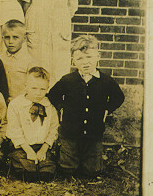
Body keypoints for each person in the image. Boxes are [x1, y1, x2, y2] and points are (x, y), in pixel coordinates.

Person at [48, 35, 124, 178]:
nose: (85, 62)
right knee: (67, 170)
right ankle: (64, 161)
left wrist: (107, 109)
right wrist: (61, 108)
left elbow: (119, 97)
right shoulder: (68, 80)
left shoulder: (106, 81)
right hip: (70, 132)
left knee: (92, 172)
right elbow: (53, 94)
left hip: (93, 133)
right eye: (80, 59)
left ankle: (89, 165)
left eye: (89, 57)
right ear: (73, 61)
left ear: (98, 56)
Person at [7, 67, 59, 182]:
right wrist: (29, 150)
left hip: (42, 146)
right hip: (22, 147)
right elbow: (14, 130)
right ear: (25, 86)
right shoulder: (16, 105)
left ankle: (44, 167)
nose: (38, 93)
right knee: (28, 173)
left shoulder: (49, 106)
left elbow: (53, 129)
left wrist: (43, 149)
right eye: (34, 88)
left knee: (47, 173)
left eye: (42, 89)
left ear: (47, 88)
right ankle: (22, 165)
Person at [0, 20, 36, 102]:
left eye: (15, 37)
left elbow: (32, 87)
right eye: (7, 37)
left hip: (21, 104)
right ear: (2, 38)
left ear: (24, 39)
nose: (11, 41)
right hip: (1, 103)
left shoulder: (29, 62)